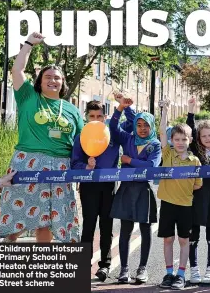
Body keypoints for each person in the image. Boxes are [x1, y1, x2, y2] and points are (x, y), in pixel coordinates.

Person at [0, 32, 84, 243]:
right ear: (39, 81)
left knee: (47, 218)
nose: (52, 80)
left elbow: (81, 143)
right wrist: (28, 45)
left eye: (57, 78)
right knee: (16, 213)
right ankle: (8, 256)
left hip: (61, 166)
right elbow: (16, 70)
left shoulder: (72, 110)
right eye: (48, 77)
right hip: (27, 161)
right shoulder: (28, 96)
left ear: (62, 83)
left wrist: (80, 168)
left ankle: (43, 263)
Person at [70, 96, 135, 281]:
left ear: (105, 118)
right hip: (89, 186)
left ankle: (105, 266)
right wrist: (87, 167)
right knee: (89, 225)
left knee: (106, 225)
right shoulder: (81, 137)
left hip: (109, 185)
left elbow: (134, 124)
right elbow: (74, 164)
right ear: (87, 118)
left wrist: (123, 107)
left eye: (100, 116)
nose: (96, 120)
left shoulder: (114, 133)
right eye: (92, 116)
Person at [109, 99, 162, 284]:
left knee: (145, 230)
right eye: (138, 125)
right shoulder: (128, 138)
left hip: (144, 189)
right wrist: (120, 109)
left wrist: (128, 160)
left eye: (146, 125)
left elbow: (151, 166)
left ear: (151, 126)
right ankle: (124, 269)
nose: (142, 128)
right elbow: (113, 129)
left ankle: (142, 268)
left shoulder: (155, 144)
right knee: (125, 229)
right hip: (126, 188)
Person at [157, 100, 202, 290]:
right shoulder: (167, 154)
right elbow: (161, 132)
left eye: (184, 139)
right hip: (167, 204)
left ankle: (181, 274)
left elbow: (197, 185)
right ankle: (169, 273)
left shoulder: (195, 161)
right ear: (172, 141)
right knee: (168, 239)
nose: (180, 143)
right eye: (177, 139)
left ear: (190, 140)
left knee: (184, 240)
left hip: (185, 205)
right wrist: (165, 110)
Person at [186, 96, 210, 284]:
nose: (208, 138)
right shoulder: (197, 153)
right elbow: (189, 130)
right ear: (199, 138)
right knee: (193, 236)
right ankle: (194, 269)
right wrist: (191, 112)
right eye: (204, 135)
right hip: (195, 199)